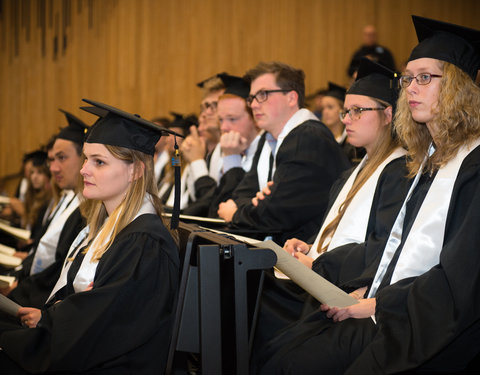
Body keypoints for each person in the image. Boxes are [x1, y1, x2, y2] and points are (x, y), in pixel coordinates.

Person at [253, 15, 480, 374]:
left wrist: (379, 302)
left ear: (457, 87)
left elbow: (461, 277)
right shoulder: (430, 163)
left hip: (430, 326)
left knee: (295, 362)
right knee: (281, 351)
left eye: (425, 78)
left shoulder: (472, 165)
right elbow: (397, 247)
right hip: (392, 305)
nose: (411, 88)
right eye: (408, 79)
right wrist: (368, 291)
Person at [0, 99, 181, 374]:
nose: (84, 169)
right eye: (86, 158)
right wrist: (48, 318)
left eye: (99, 162)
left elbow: (100, 330)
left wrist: (44, 330)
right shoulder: (109, 228)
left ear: (135, 170)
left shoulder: (144, 243)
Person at [252, 58, 410, 354]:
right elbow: (341, 230)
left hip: (344, 289)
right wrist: (310, 246)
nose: (346, 119)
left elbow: (381, 246)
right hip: (322, 279)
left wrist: (318, 263)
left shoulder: (400, 171)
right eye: (346, 111)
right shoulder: (353, 171)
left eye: (357, 111)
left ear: (388, 114)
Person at [217, 61, 350, 243]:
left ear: (291, 98)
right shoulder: (271, 141)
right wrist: (258, 203)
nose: (254, 105)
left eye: (263, 94)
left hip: (310, 259)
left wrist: (236, 214)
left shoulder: (307, 138)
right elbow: (240, 195)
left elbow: (276, 213)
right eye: (252, 98)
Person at [182, 73, 264, 217]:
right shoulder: (225, 149)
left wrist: (231, 158)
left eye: (232, 119)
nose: (224, 127)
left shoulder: (265, 152)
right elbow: (213, 204)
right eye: (221, 120)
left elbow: (226, 209)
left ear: (256, 119)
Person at [321, 82, 366, 164]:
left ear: (343, 110)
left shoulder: (352, 143)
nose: (325, 112)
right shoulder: (322, 138)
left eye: (330, 107)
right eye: (323, 108)